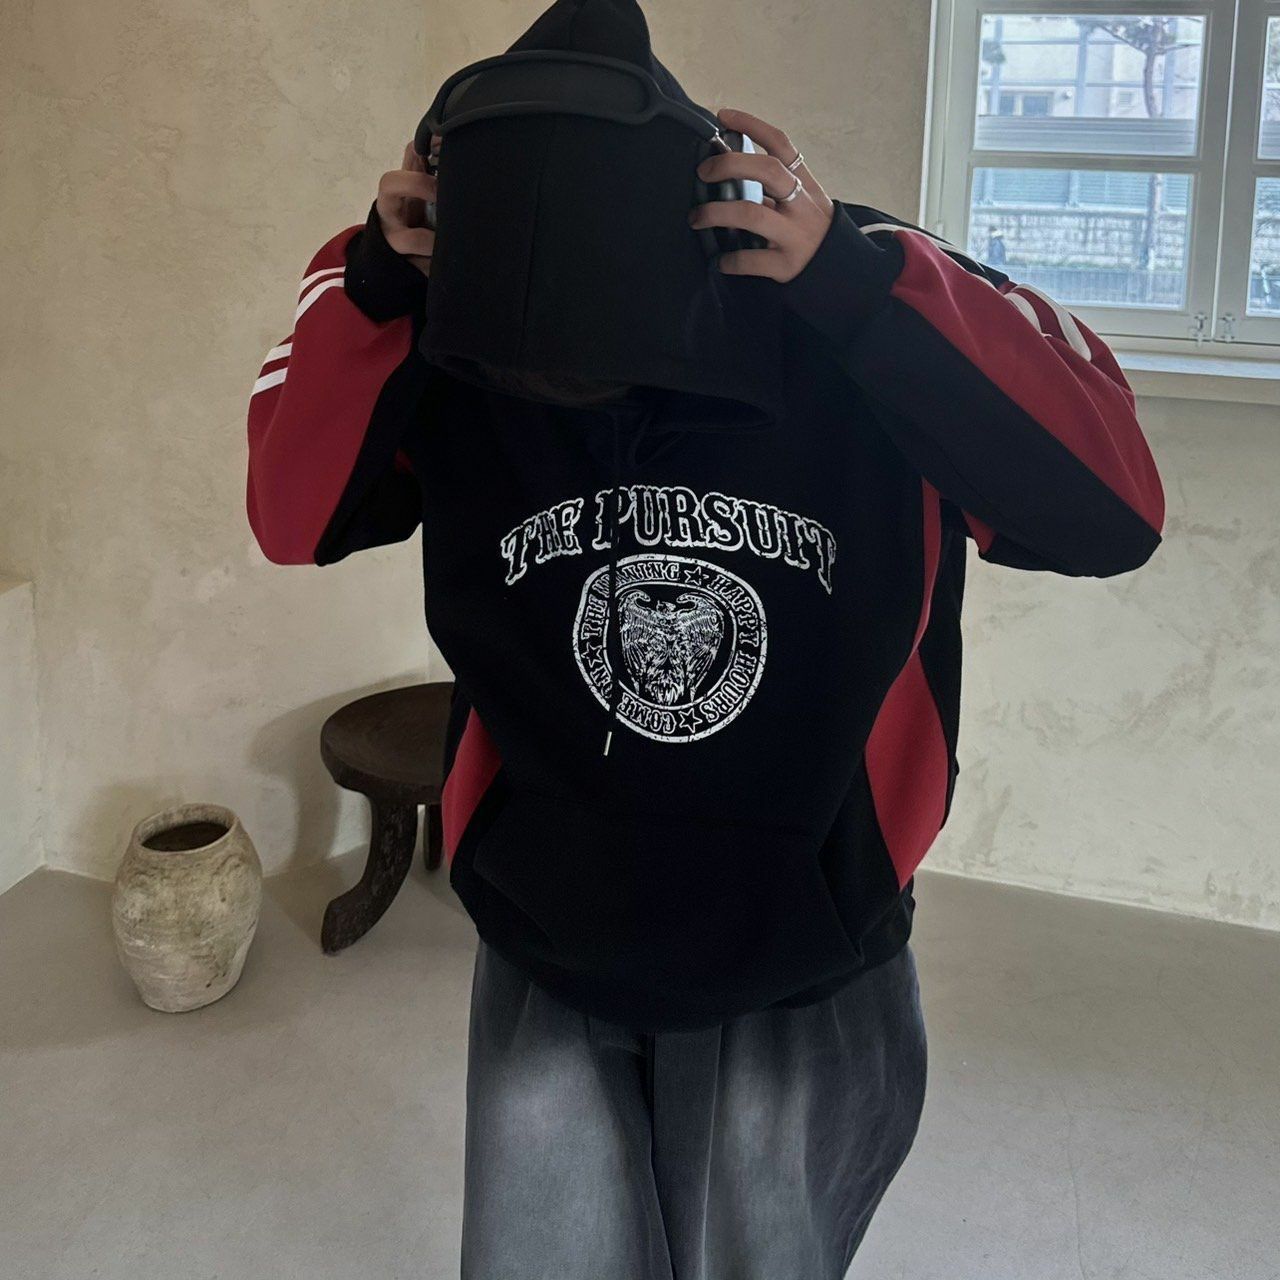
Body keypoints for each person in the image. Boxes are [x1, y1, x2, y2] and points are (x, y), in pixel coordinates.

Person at [244, 1, 1165, 1275]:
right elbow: (292, 518)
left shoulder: (845, 283)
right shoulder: (444, 314)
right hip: (547, 928)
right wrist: (378, 287)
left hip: (805, 932)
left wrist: (853, 284)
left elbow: (1113, 509)